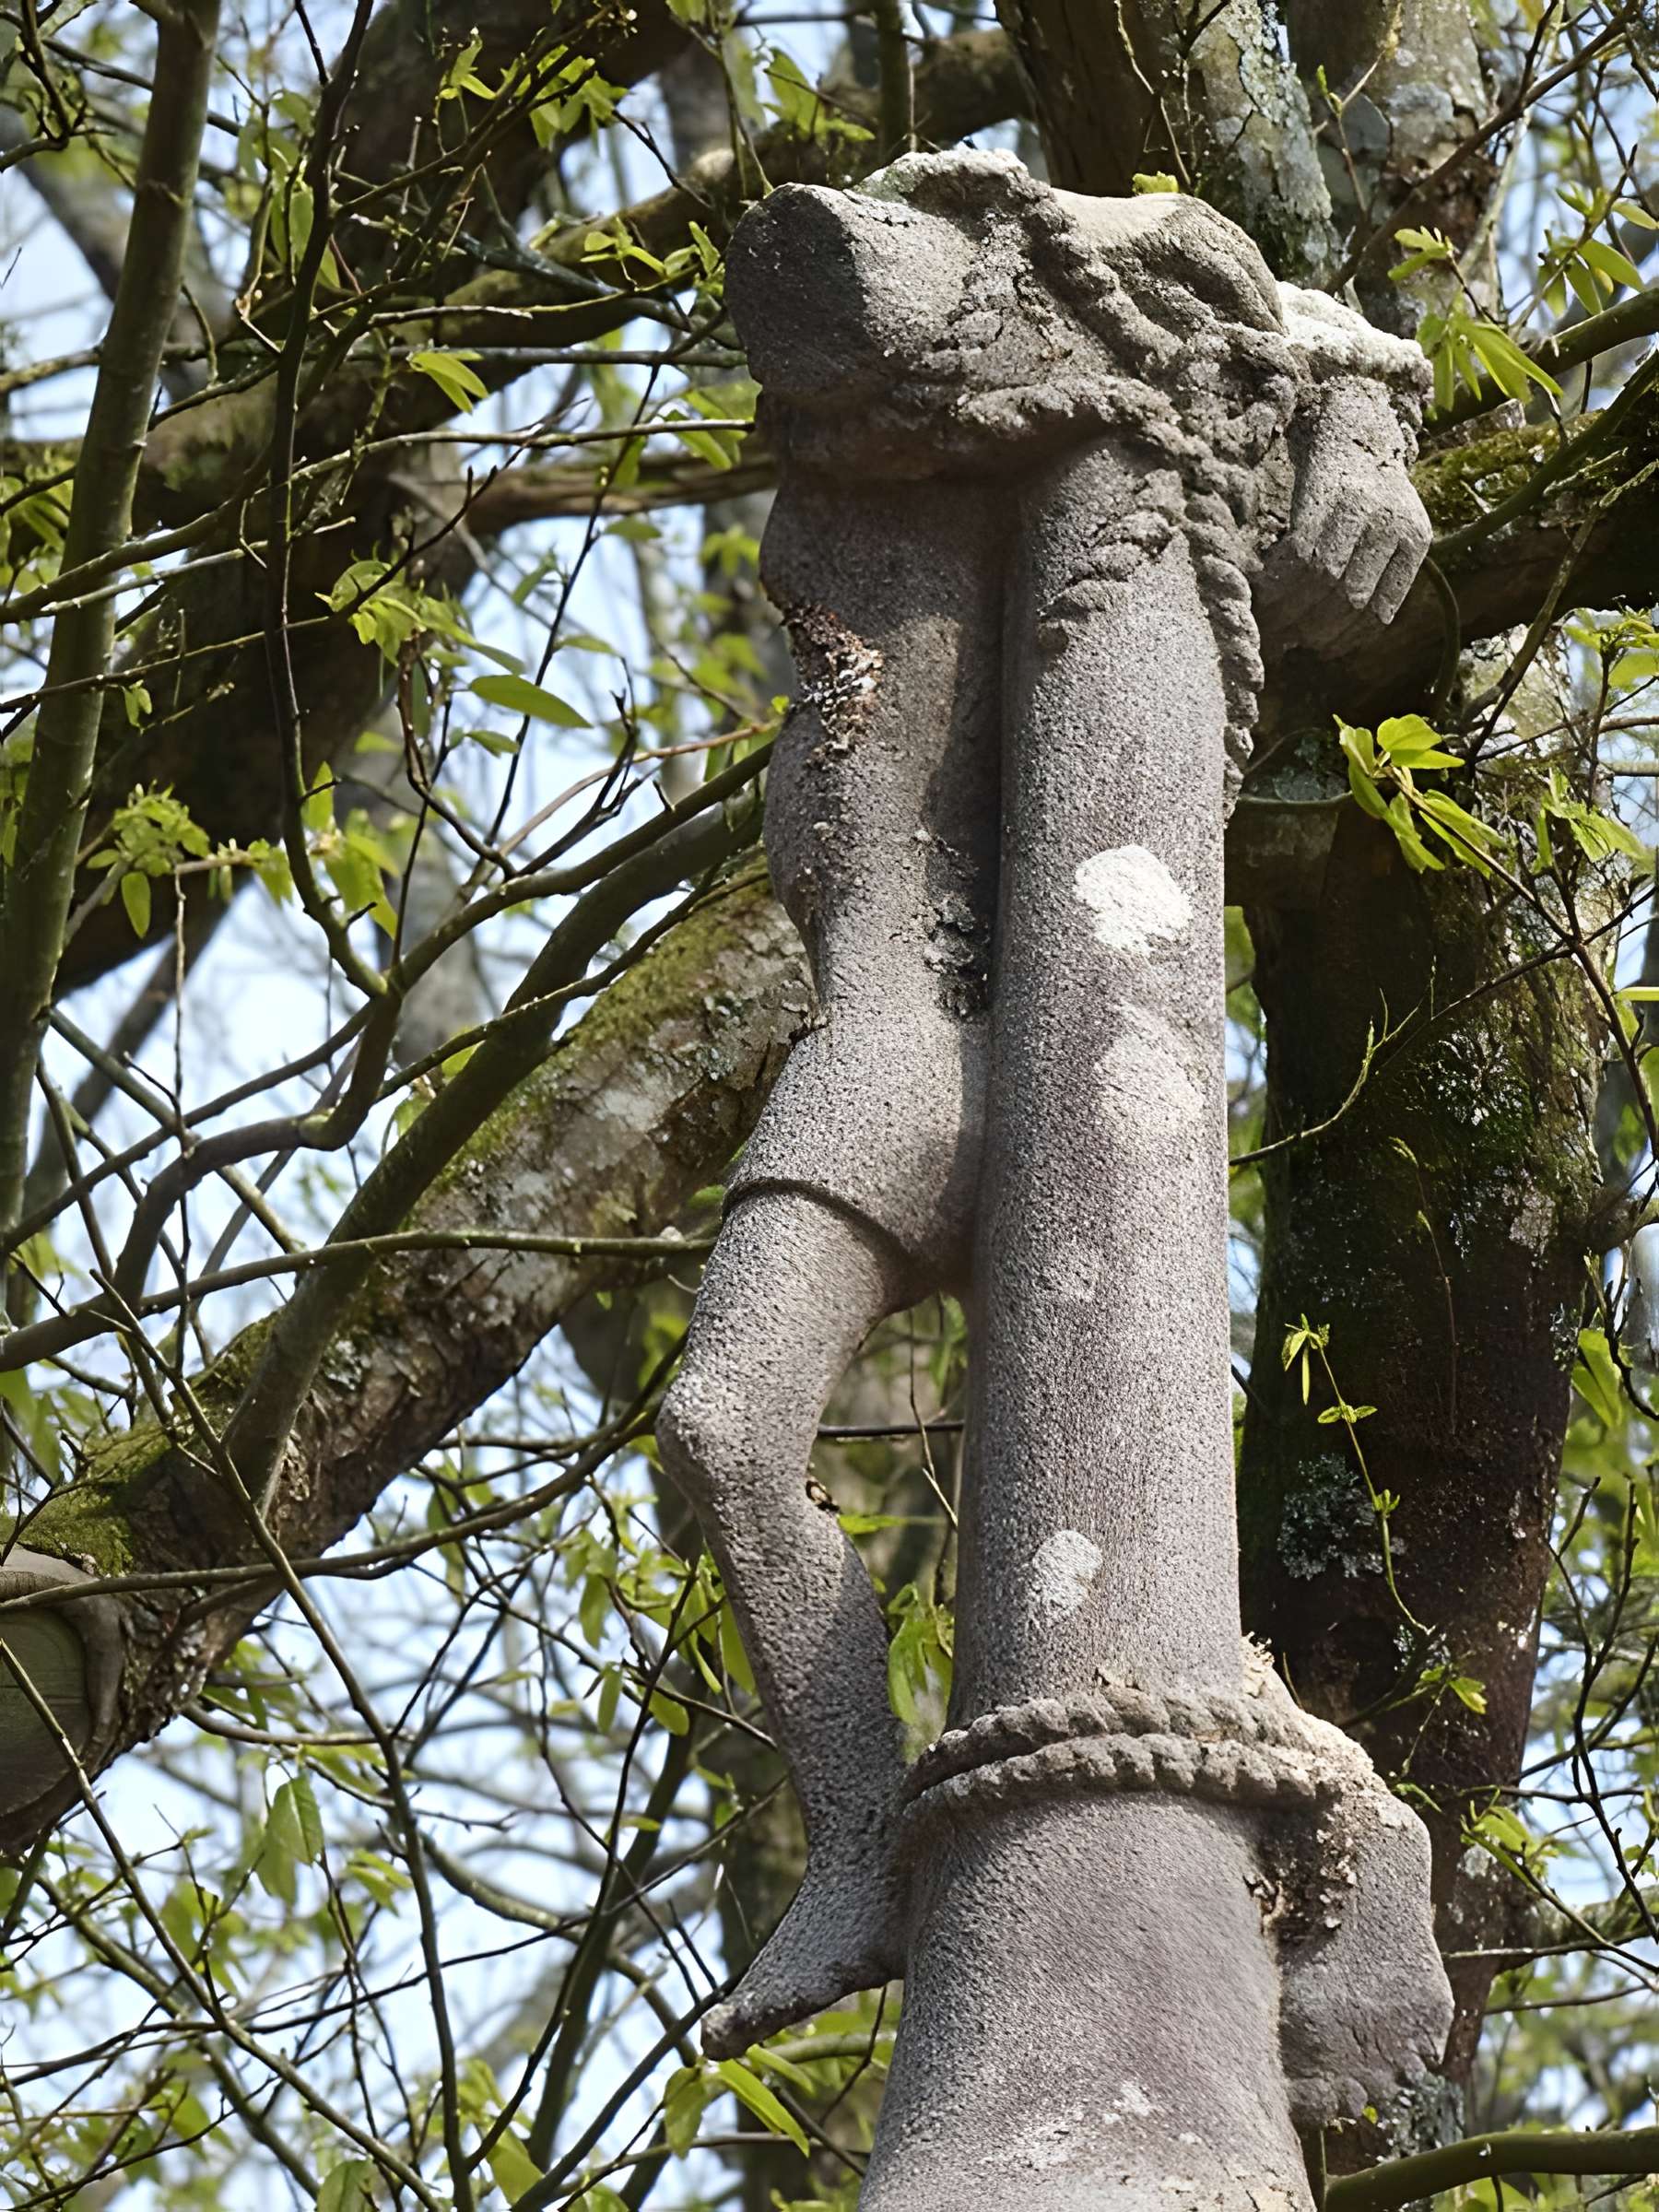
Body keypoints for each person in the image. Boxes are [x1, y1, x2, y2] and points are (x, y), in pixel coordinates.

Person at [657, 152, 1432, 2057]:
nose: (829, 373)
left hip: (997, 1018)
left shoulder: (1090, 326)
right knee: (720, 1429)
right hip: (882, 1034)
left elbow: (1306, 333)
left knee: (1105, 1547)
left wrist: (1362, 432)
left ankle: (1370, 1837)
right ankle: (856, 1840)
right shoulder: (878, 442)